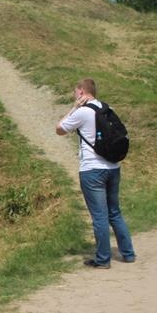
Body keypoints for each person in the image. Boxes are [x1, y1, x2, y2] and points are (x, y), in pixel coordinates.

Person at [56, 78, 136, 269]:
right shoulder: (107, 108)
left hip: (92, 170)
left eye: (75, 92)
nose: (74, 95)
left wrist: (74, 107)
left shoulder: (82, 112)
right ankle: (128, 253)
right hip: (113, 167)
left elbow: (59, 129)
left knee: (99, 217)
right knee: (114, 212)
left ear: (81, 92)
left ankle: (102, 259)